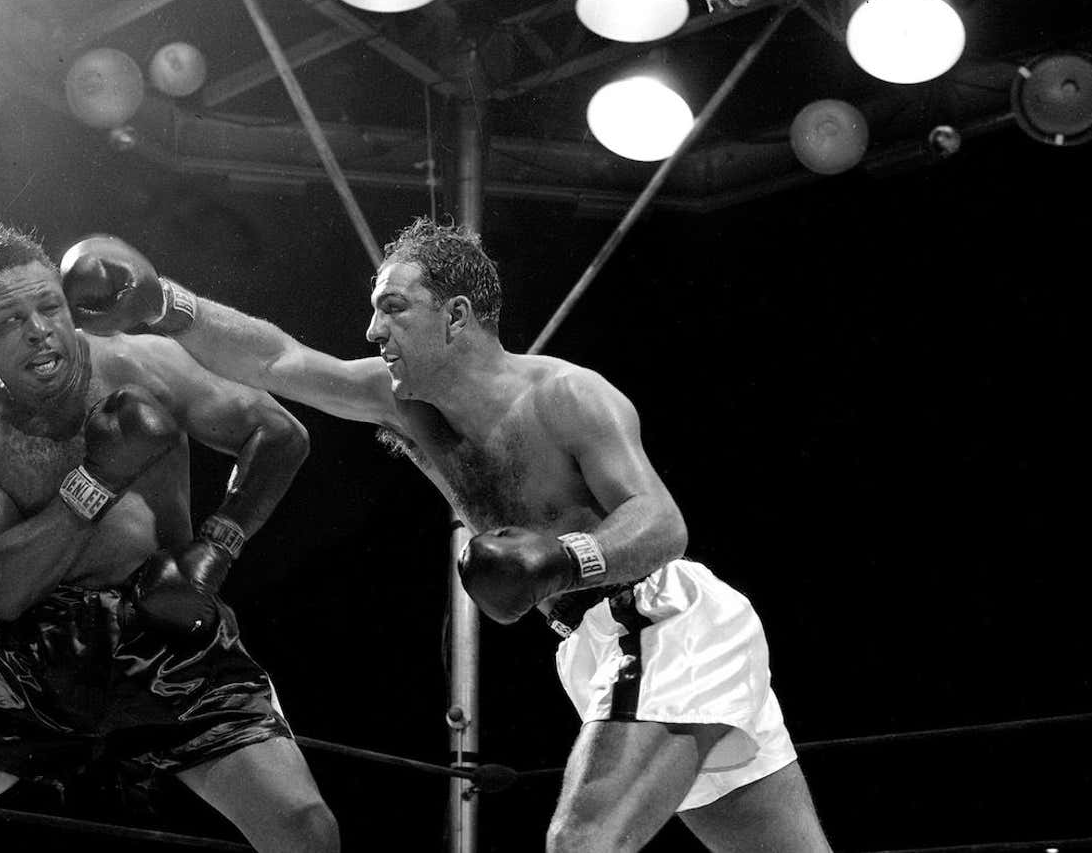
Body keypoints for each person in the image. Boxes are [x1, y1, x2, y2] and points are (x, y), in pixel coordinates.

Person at [61, 219, 833, 852]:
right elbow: (280, 358)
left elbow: (662, 522)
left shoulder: (566, 396)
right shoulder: (403, 404)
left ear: (457, 316)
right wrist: (166, 306)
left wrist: (564, 556)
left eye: (394, 308)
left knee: (583, 845)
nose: (372, 329)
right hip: (591, 641)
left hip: (661, 621)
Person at [0, 223, 339, 853]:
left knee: (305, 830)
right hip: (34, 658)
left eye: (49, 307)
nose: (39, 330)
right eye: (10, 321)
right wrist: (95, 479)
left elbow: (281, 436)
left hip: (169, 641)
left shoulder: (143, 364)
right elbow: (1, 590)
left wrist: (214, 548)